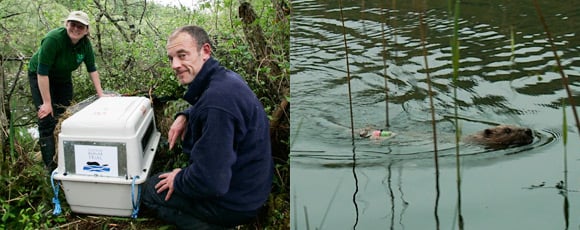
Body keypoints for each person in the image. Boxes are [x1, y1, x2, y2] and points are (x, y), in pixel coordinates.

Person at [142, 25, 273, 229]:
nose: (175, 65)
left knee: (150, 190)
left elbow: (211, 182)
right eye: (171, 58)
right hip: (251, 187)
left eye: (182, 55)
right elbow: (210, 106)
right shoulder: (225, 79)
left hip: (235, 202)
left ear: (205, 51)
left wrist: (180, 178)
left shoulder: (216, 103)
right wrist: (186, 115)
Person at [28, 11, 105, 171]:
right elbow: (42, 72)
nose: (76, 28)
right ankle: (50, 167)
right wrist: (47, 103)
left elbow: (92, 69)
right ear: (66, 24)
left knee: (64, 116)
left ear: (86, 30)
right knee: (46, 117)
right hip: (40, 76)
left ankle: (64, 157)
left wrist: (101, 94)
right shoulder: (53, 39)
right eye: (73, 24)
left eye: (80, 26)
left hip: (62, 78)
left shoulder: (85, 44)